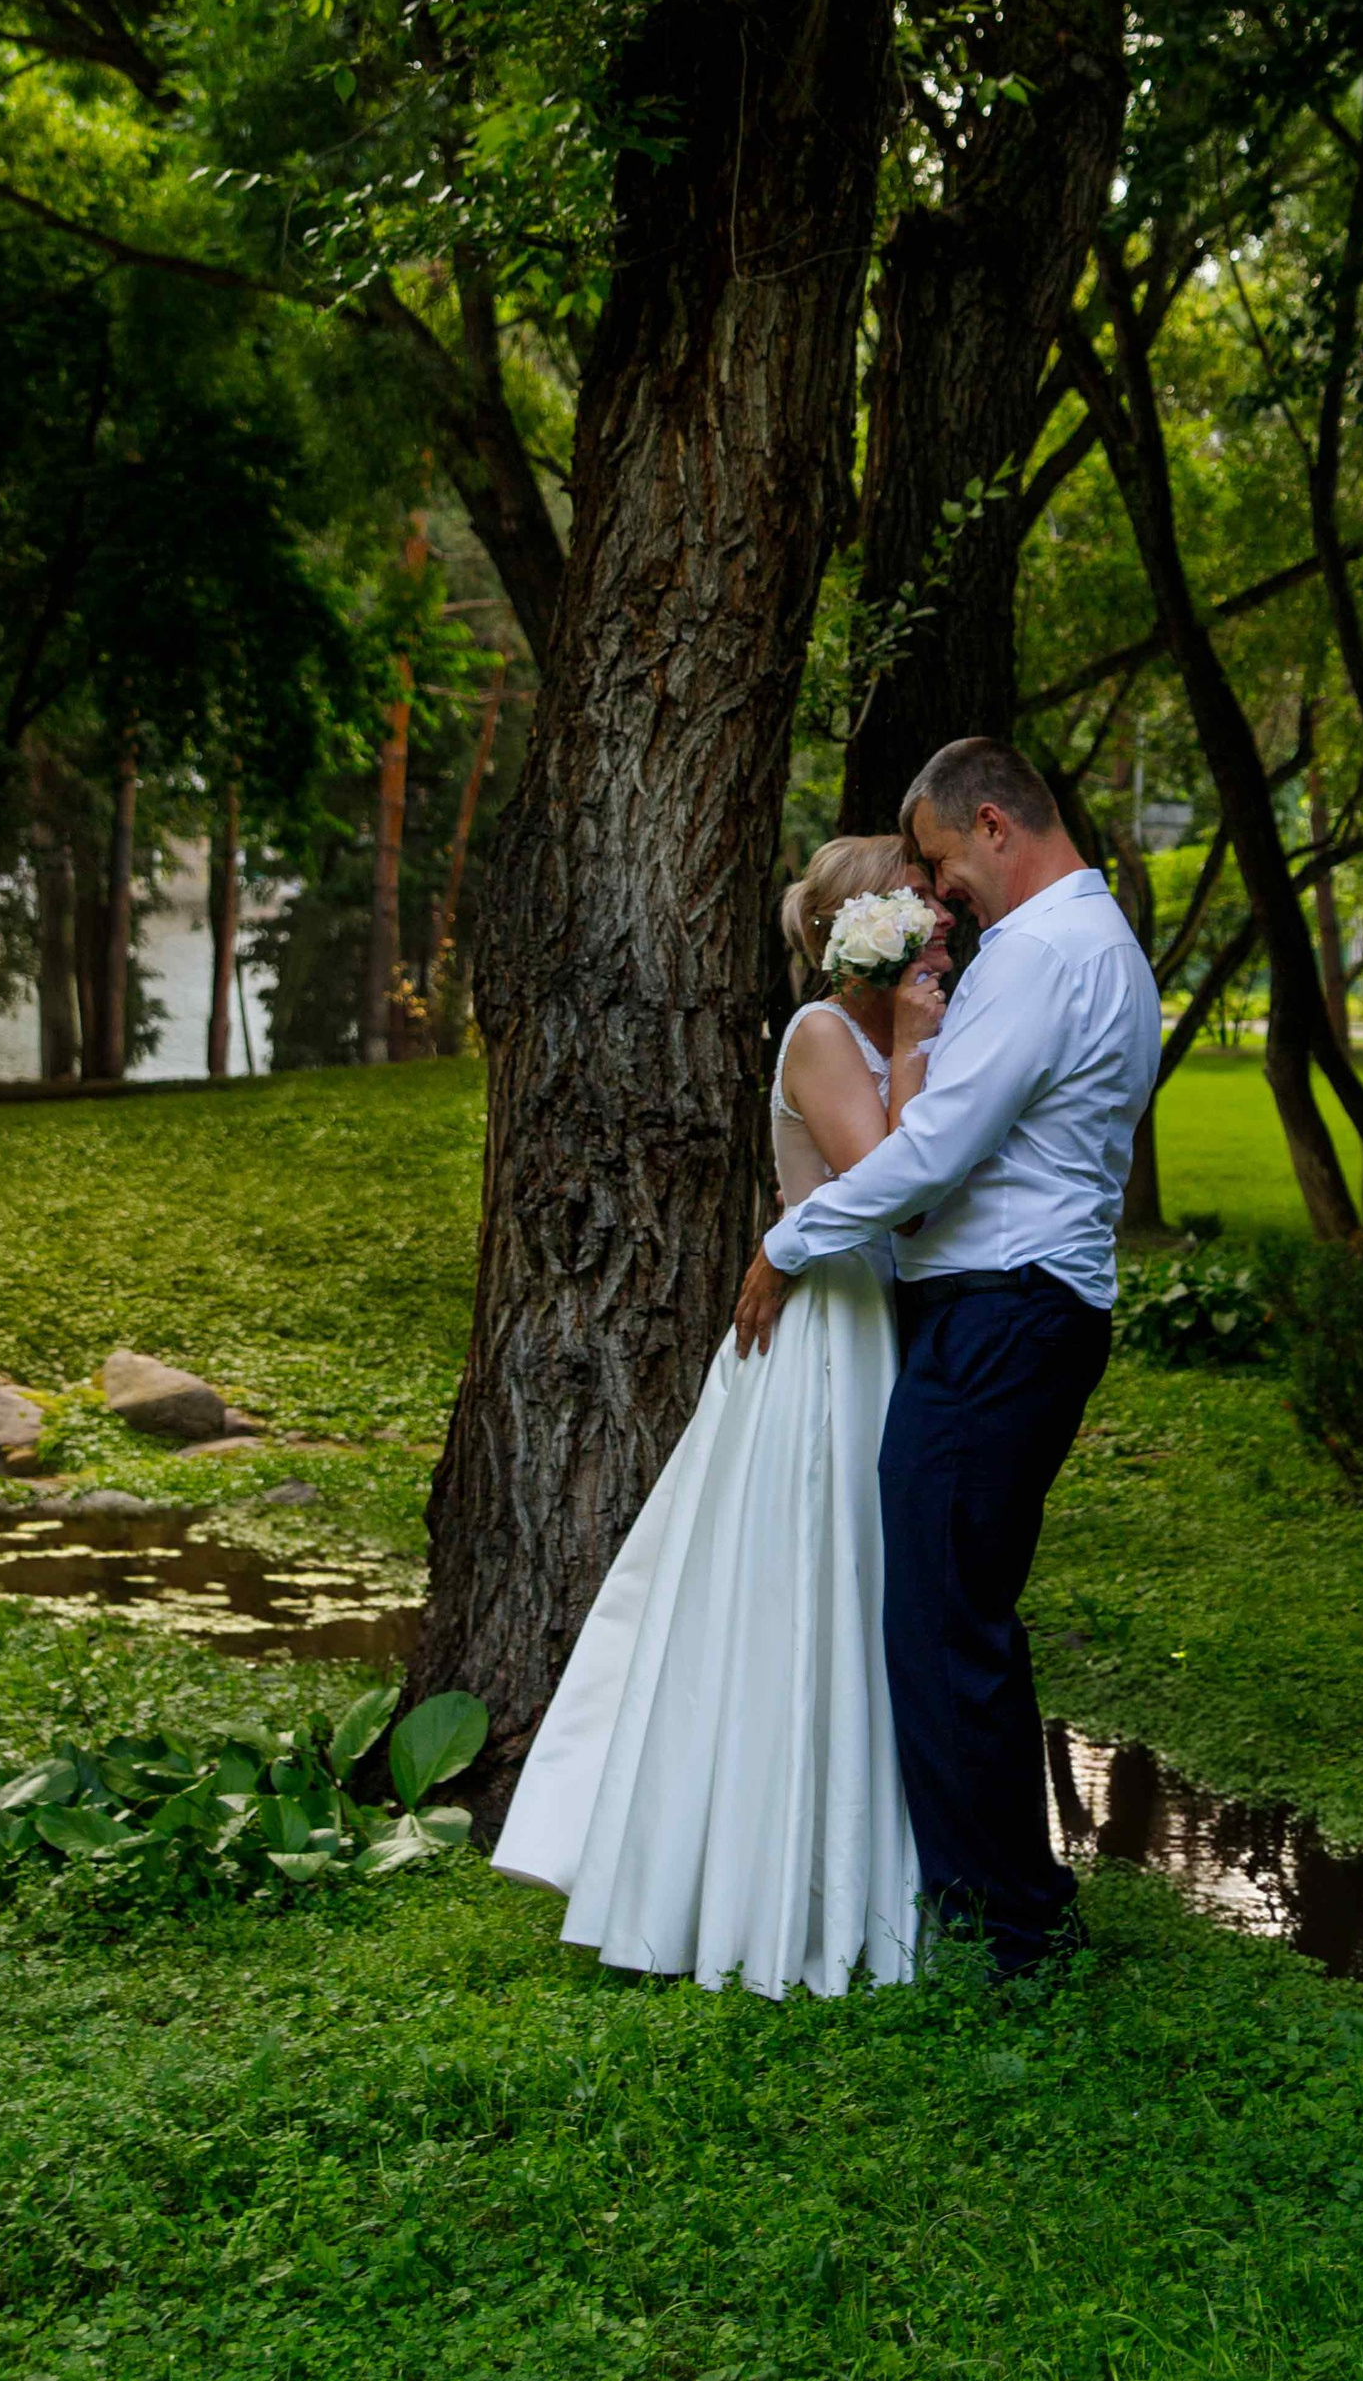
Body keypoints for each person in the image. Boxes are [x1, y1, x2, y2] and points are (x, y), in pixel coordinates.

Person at [489, 834, 950, 1998]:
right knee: (800, 1582)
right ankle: (749, 1876)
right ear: (864, 927)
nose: (939, 912)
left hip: (883, 1328)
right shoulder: (818, 1034)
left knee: (871, 1583)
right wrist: (906, 1040)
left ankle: (876, 1865)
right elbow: (886, 1178)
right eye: (915, 898)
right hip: (827, 1337)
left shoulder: (902, 1029)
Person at [735, 736, 1162, 1977]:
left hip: (1002, 1311)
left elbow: (930, 1156)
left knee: (940, 1620)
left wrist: (787, 1239)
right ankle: (1004, 1898)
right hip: (1022, 1308)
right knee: (959, 1609)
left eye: (935, 860)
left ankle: (1006, 1926)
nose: (936, 893)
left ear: (990, 823)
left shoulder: (1041, 953)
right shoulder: (1099, 942)